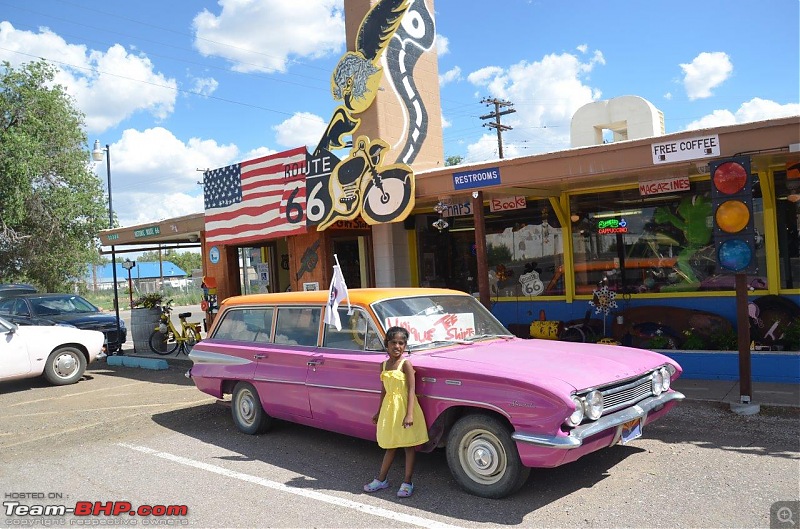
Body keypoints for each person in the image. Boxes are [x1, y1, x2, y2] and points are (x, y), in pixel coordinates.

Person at [363, 326, 428, 498]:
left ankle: (407, 481)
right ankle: (381, 479)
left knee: (408, 445)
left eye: (401, 343)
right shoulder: (384, 364)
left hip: (405, 407)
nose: (397, 346)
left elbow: (412, 389)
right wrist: (378, 411)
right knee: (390, 444)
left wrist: (409, 414)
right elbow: (384, 390)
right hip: (390, 409)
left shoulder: (405, 364)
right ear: (387, 344)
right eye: (393, 342)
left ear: (405, 345)